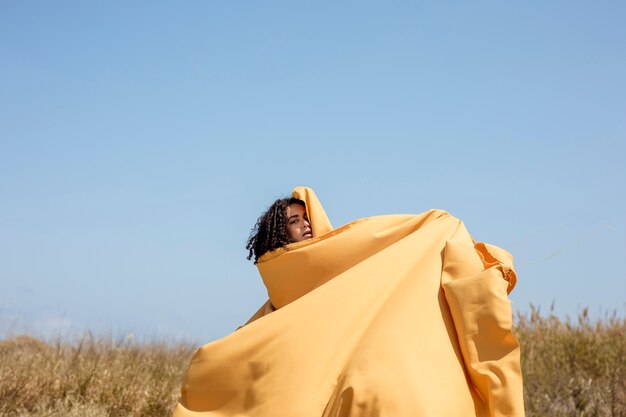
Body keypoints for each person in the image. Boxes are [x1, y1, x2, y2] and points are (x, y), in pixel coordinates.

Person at [173, 186, 525, 417]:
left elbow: (380, 248)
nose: (305, 225)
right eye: (294, 222)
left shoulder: (345, 265)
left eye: (306, 217)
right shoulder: (279, 303)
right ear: (279, 234)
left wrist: (435, 228)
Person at [246, 197, 313, 264]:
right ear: (282, 231)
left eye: (306, 218)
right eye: (295, 221)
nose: (306, 224)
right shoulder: (276, 268)